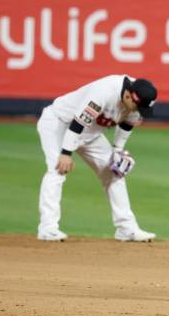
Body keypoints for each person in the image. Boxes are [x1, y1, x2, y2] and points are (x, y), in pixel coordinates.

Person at [36, 74, 158, 242]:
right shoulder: (104, 92)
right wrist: (65, 153)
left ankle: (126, 229)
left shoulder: (136, 99)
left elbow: (127, 124)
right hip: (60, 123)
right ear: (128, 95)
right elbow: (78, 123)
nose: (138, 111)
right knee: (57, 170)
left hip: (90, 133)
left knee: (115, 172)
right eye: (137, 107)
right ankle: (47, 228)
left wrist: (117, 150)